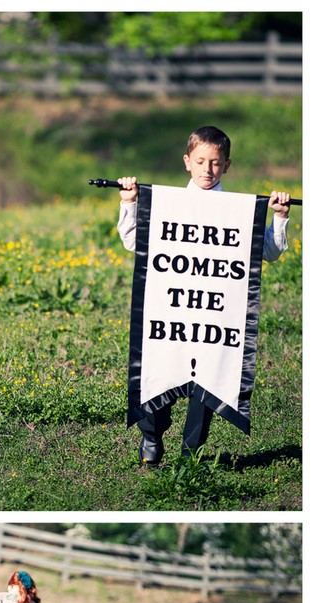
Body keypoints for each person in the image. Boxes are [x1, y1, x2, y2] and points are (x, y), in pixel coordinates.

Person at [116, 125, 291, 465]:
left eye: (215, 163)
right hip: (173, 309)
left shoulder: (238, 210)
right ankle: (152, 434)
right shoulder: (169, 203)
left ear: (227, 165)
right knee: (162, 365)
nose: (207, 170)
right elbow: (133, 241)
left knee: (210, 379)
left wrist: (280, 217)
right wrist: (129, 202)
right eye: (200, 161)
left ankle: (190, 454)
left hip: (216, 315)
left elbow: (269, 251)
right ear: (187, 162)